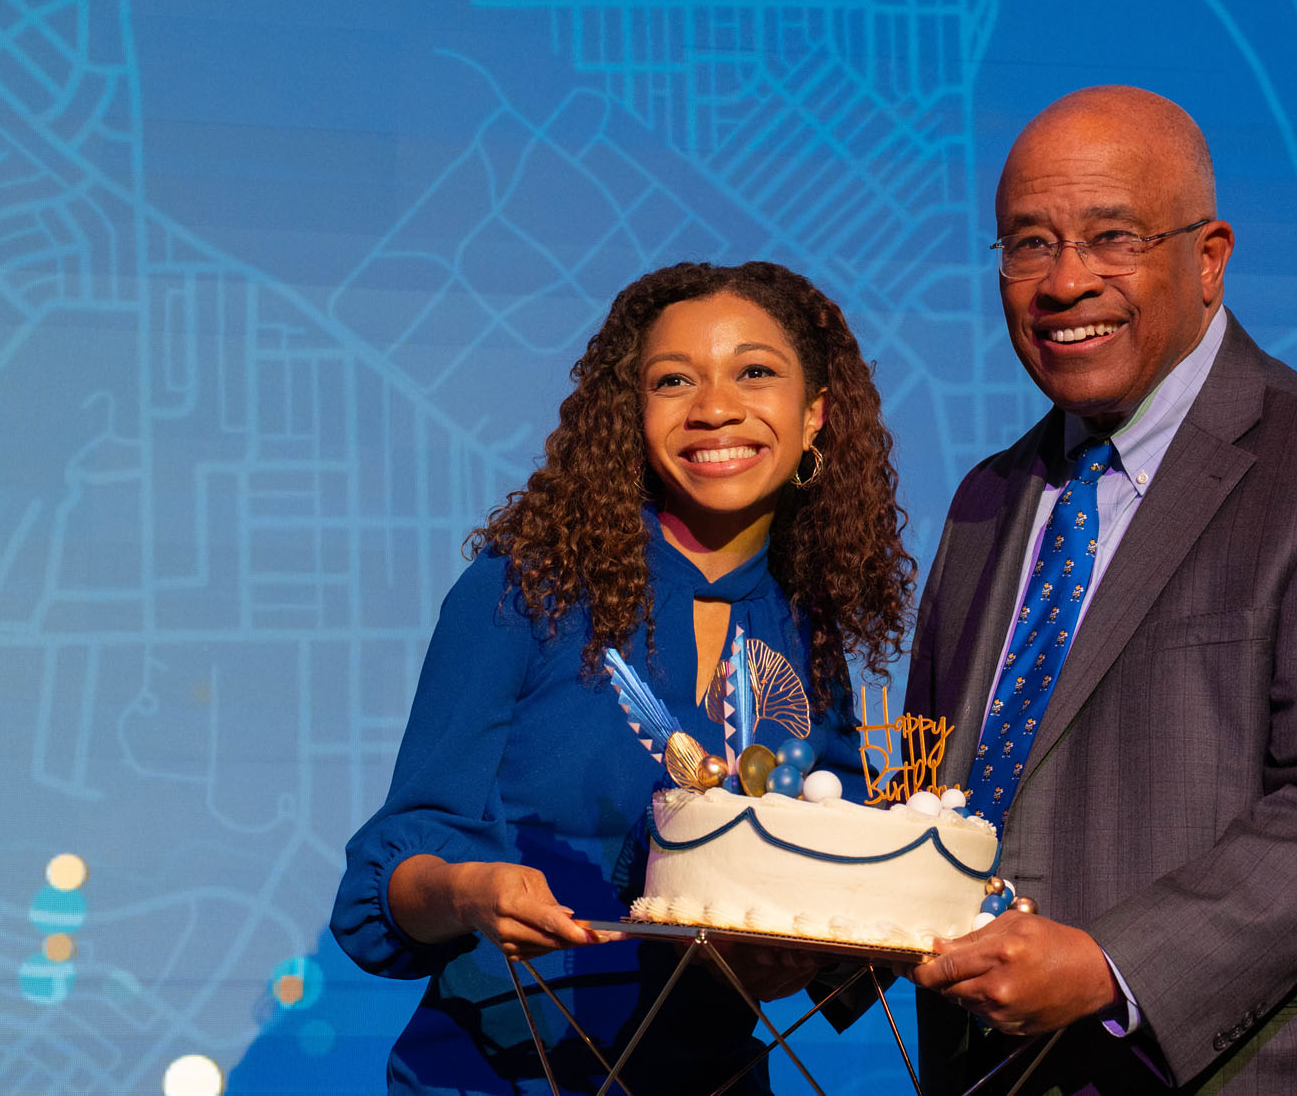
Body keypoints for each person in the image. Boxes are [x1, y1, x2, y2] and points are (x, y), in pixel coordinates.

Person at [904, 86, 1297, 1093]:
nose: (1064, 281)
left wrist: (1110, 968)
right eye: (1028, 244)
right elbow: (931, 793)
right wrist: (797, 936)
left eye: (1110, 238)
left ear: (1208, 259)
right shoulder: (985, 501)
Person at [332, 261, 916, 1094]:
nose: (714, 407)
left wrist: (794, 956)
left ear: (814, 413)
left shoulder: (807, 632)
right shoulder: (525, 589)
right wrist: (465, 891)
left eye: (755, 371)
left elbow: (835, 898)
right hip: (496, 1075)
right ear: (631, 414)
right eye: (674, 379)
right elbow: (384, 882)